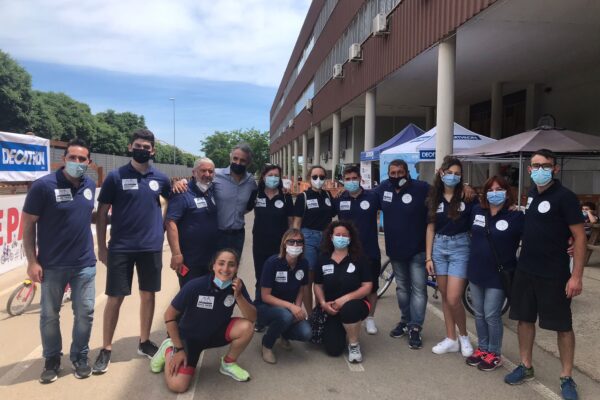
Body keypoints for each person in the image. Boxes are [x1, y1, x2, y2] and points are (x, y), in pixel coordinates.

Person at [504, 149, 586, 400]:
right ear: (529, 170)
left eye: (546, 166)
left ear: (555, 169)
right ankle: (526, 365)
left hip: (555, 273)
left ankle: (566, 376)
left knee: (563, 327)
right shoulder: (531, 194)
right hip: (526, 269)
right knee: (524, 320)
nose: (540, 170)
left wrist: (576, 276)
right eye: (536, 166)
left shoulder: (565, 197)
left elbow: (580, 237)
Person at [93, 129, 172, 374]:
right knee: (115, 298)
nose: (142, 150)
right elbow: (102, 213)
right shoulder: (115, 177)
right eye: (138, 145)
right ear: (130, 147)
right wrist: (102, 246)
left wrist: (161, 227)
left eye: (146, 147)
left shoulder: (161, 178)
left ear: (153, 151)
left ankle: (144, 342)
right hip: (121, 248)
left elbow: (171, 202)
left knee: (148, 295)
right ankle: (106, 348)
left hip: (150, 248)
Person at [22, 138, 96, 383]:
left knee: (85, 313)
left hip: (84, 264)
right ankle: (52, 359)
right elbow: (28, 225)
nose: (77, 162)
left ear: (89, 162)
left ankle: (80, 356)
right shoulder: (43, 186)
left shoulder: (90, 185)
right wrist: (32, 261)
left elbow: (84, 215)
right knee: (49, 315)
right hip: (52, 265)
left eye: (82, 159)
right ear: (64, 159)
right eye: (72, 157)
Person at [150, 249, 256, 393]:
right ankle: (168, 348)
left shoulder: (237, 286)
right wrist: (179, 349)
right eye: (221, 263)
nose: (225, 269)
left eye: (231, 265)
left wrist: (239, 296)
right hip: (189, 339)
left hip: (215, 333)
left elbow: (252, 318)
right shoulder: (195, 285)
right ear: (213, 266)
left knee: (247, 327)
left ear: (236, 268)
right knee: (178, 386)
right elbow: (169, 316)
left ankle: (228, 364)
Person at [466, 176, 524, 371]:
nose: (494, 193)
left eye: (499, 189)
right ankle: (482, 348)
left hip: (498, 274)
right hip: (476, 271)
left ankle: (494, 352)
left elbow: (535, 234)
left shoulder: (516, 216)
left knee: (491, 314)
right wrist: (465, 187)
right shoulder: (477, 210)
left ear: (507, 193)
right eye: (490, 190)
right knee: (479, 313)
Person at [374, 159, 430, 349]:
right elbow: (366, 198)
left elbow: (444, 194)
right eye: (393, 173)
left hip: (418, 250)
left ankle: (415, 327)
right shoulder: (383, 188)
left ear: (407, 172)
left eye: (400, 172)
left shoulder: (421, 188)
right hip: (396, 250)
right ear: (389, 174)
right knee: (402, 289)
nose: (397, 176)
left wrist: (466, 189)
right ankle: (406, 320)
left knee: (419, 289)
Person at [425, 156, 475, 357]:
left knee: (454, 298)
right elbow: (430, 228)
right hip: (439, 247)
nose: (453, 176)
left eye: (457, 174)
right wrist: (428, 257)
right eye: (450, 173)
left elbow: (484, 211)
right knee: (446, 296)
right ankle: (451, 338)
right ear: (441, 173)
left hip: (460, 247)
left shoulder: (467, 196)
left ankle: (464, 336)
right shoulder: (433, 198)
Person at [314, 221, 373, 362]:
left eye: (344, 235)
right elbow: (318, 285)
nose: (341, 238)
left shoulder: (359, 258)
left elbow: (367, 286)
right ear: (331, 237)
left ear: (350, 238)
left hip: (356, 304)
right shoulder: (323, 258)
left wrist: (344, 299)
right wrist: (323, 304)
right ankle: (345, 328)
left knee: (349, 309)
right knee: (333, 350)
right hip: (331, 308)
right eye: (338, 234)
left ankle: (354, 345)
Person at [334, 165, 382, 335]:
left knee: (372, 287)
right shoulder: (339, 199)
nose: (351, 181)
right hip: (346, 251)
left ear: (360, 179)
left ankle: (370, 318)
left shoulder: (373, 197)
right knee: (348, 285)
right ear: (343, 181)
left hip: (370, 250)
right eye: (347, 179)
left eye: (354, 178)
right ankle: (348, 316)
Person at [256, 229, 312, 364]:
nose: (295, 245)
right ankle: (267, 344)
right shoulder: (272, 263)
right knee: (285, 316)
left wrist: (297, 307)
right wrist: (291, 307)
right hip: (265, 307)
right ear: (284, 244)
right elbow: (265, 296)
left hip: (287, 308)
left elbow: (301, 288)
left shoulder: (303, 263)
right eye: (291, 241)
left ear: (303, 245)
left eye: (299, 242)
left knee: (306, 333)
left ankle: (283, 335)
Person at [165, 158, 218, 288]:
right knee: (190, 293)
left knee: (209, 293)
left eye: (210, 171)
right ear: (194, 172)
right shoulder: (182, 192)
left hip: (211, 259)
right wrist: (176, 254)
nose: (207, 174)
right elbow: (170, 222)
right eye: (203, 170)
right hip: (190, 260)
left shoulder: (212, 191)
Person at [293, 165, 335, 313]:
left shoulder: (328, 195)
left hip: (325, 238)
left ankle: (320, 312)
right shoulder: (303, 197)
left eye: (322, 177)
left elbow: (333, 216)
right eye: (315, 177)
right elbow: (296, 223)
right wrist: (296, 243)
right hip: (308, 238)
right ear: (309, 178)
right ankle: (310, 315)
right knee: (309, 277)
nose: (318, 179)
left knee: (322, 277)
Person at [250, 164, 294, 300]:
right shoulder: (256, 194)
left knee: (280, 277)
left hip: (279, 246)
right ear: (263, 177)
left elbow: (291, 223)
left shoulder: (285, 196)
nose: (273, 178)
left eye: (276, 176)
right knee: (261, 277)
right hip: (260, 245)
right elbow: (243, 209)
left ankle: (281, 306)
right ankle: (260, 306)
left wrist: (290, 244)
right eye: (270, 175)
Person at [213, 143, 258, 257]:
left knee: (234, 266)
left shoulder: (251, 182)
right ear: (230, 158)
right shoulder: (215, 175)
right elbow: (197, 184)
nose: (238, 163)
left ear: (248, 163)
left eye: (242, 160)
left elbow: (250, 205)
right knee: (215, 266)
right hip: (217, 233)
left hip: (238, 235)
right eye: (235, 158)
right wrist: (181, 182)